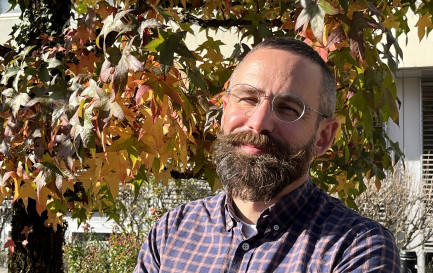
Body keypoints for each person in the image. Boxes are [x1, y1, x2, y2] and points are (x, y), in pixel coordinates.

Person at [134, 37, 401, 272]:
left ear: (323, 137)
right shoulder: (172, 232)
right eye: (248, 98)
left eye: (288, 107)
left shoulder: (356, 247)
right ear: (224, 111)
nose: (259, 122)